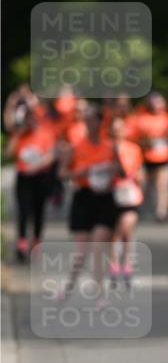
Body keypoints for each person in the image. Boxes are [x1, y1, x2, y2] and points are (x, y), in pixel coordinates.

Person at [58, 104, 118, 303]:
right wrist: (80, 173)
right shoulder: (76, 147)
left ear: (100, 122)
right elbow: (62, 173)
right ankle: (68, 286)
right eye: (86, 119)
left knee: (99, 246)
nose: (89, 123)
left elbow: (122, 171)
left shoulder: (110, 146)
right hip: (83, 198)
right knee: (82, 252)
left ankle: (100, 293)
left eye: (93, 119)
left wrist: (112, 170)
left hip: (105, 199)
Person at [8, 107, 57, 260]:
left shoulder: (46, 134)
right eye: (26, 118)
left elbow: (51, 156)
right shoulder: (20, 135)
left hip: (40, 178)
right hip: (24, 178)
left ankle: (36, 239)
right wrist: (18, 134)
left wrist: (36, 166)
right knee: (23, 209)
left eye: (31, 118)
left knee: (38, 211)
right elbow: (8, 153)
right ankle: (22, 241)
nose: (29, 121)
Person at [108, 115, 145, 288]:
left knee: (127, 230)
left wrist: (138, 177)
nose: (117, 132)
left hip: (130, 195)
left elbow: (139, 170)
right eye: (114, 129)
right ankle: (114, 265)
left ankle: (127, 265)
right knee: (115, 233)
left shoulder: (134, 148)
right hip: (112, 194)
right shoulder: (106, 149)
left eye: (120, 128)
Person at [131, 92, 168, 221]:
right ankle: (141, 209)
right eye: (155, 102)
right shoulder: (141, 118)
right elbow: (134, 139)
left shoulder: (166, 117)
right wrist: (146, 142)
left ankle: (161, 212)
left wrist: (166, 140)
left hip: (162, 156)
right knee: (146, 185)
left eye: (160, 102)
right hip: (145, 157)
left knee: (162, 185)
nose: (158, 105)